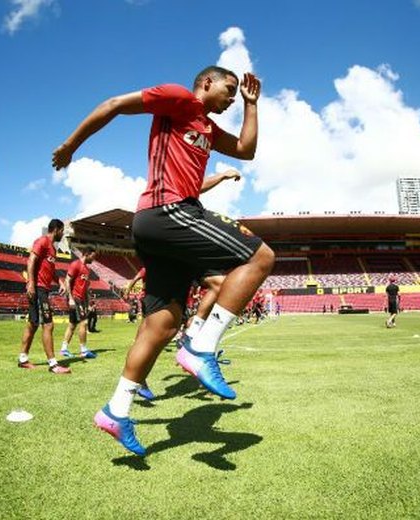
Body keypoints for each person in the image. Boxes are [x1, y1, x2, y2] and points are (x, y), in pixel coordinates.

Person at [52, 65, 274, 456]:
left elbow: (246, 151)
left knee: (162, 323)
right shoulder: (180, 99)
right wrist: (71, 145)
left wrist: (252, 107)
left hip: (162, 226)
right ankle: (201, 347)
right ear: (207, 82)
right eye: (230, 88)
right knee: (260, 256)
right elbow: (115, 104)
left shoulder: (206, 128)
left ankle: (116, 411)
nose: (233, 96)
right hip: (166, 212)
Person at [17, 219, 71, 374]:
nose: (63, 234)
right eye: (63, 231)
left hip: (42, 289)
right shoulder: (42, 241)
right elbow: (31, 260)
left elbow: (50, 270)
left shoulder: (52, 249)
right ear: (57, 230)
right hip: (38, 288)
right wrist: (31, 283)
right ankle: (54, 365)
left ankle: (22, 359)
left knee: (32, 324)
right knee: (48, 324)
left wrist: (60, 281)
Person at [60, 248, 99, 359]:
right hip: (75, 298)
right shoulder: (75, 264)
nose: (94, 259)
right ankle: (83, 350)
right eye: (93, 256)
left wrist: (88, 304)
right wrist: (71, 299)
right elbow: (67, 280)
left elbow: (85, 289)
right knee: (84, 322)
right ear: (86, 254)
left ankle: (63, 349)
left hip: (81, 299)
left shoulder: (87, 270)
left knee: (72, 325)